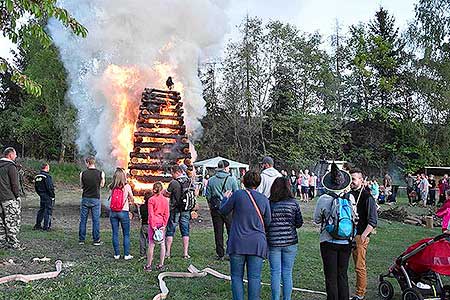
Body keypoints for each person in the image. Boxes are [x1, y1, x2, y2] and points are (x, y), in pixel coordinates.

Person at [220, 171, 271, 300]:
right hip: (257, 243)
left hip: (238, 241)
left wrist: (225, 198)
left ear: (243, 181)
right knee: (254, 277)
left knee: (236, 276)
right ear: (258, 184)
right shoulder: (264, 199)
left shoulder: (237, 195)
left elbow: (223, 211)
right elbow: (268, 221)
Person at [313, 162, 353, 300]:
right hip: (346, 241)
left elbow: (316, 219)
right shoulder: (350, 198)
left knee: (330, 276)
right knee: (342, 274)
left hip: (328, 240)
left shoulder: (323, 199)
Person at [267, 177, 303, 300]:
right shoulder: (293, 203)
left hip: (273, 242)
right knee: (287, 273)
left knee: (275, 272)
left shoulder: (269, 203)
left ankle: (275, 298)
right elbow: (299, 223)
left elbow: (266, 222)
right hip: (290, 242)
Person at [349, 168, 378, 300]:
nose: (352, 182)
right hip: (347, 236)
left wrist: (362, 237)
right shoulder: (348, 194)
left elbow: (373, 221)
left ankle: (360, 293)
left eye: (354, 179)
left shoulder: (367, 197)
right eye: (350, 179)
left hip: (360, 235)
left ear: (361, 180)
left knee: (359, 266)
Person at [205, 160, 239, 260]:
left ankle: (220, 253)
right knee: (231, 231)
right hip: (229, 208)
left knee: (218, 231)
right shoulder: (232, 179)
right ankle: (230, 251)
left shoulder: (211, 180)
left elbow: (208, 196)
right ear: (225, 168)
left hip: (216, 208)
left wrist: (211, 207)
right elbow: (236, 194)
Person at [164, 165, 191, 259]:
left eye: (172, 173)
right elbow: (195, 193)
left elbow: (167, 194)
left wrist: (164, 191)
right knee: (185, 231)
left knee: (170, 230)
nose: (171, 175)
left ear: (177, 172)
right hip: (186, 209)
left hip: (175, 209)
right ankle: (185, 253)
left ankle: (167, 253)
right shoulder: (188, 181)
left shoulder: (174, 183)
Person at [79, 156, 105, 245]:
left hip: (85, 198)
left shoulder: (82, 173)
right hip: (96, 199)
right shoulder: (101, 173)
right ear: (94, 162)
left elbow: (81, 185)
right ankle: (96, 240)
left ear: (87, 163)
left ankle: (81, 240)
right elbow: (102, 185)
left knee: (83, 220)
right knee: (96, 220)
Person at [109, 168, 134, 259]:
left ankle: (116, 254)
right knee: (126, 234)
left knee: (115, 233)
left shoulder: (111, 186)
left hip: (113, 212)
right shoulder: (127, 186)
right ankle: (126, 254)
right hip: (124, 211)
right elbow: (132, 198)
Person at [0, 147, 22, 250]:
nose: (16, 156)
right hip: (8, 198)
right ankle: (13, 244)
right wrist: (17, 196)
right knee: (12, 220)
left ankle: (2, 242)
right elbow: (14, 184)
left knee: (1, 222)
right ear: (10, 155)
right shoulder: (10, 166)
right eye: (15, 154)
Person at [144, 182, 169, 271]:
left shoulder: (151, 200)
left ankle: (148, 266)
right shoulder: (165, 200)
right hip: (161, 222)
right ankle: (161, 265)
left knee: (151, 244)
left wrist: (153, 225)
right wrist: (164, 225)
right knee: (162, 244)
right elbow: (167, 214)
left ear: (153, 189)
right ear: (162, 189)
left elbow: (151, 214)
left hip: (153, 222)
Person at [33, 163, 55, 231]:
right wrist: (52, 195)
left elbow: (36, 187)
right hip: (48, 195)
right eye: (48, 167)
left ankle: (37, 225)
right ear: (46, 167)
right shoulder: (47, 176)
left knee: (41, 210)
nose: (49, 168)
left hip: (41, 195)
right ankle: (46, 227)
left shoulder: (37, 177)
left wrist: (40, 194)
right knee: (48, 211)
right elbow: (49, 187)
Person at [139, 192, 151, 258]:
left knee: (142, 239)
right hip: (150, 225)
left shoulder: (142, 207)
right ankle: (149, 254)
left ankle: (142, 254)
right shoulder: (152, 206)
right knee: (150, 241)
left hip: (144, 225)